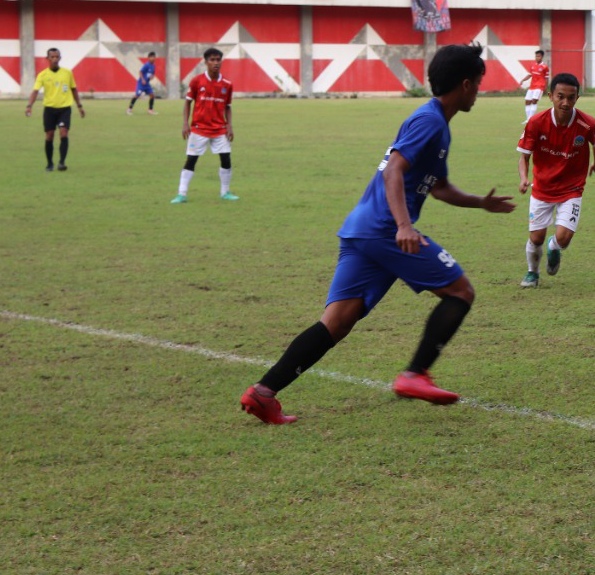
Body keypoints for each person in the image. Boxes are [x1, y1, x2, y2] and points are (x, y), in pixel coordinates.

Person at [239, 44, 516, 422]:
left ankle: (263, 392)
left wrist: (479, 204)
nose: (479, 92)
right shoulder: (430, 121)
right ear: (466, 84)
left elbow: (438, 187)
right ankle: (415, 373)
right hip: (386, 230)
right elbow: (394, 171)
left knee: (336, 323)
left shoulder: (436, 124)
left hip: (363, 229)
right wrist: (404, 225)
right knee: (460, 291)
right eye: (479, 84)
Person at [516, 73, 595, 288]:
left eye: (571, 98)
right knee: (535, 238)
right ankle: (532, 273)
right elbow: (524, 157)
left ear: (577, 98)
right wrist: (524, 178)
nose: (565, 102)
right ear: (550, 96)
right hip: (542, 188)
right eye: (560, 96)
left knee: (563, 239)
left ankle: (553, 246)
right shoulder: (536, 123)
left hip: (572, 188)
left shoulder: (587, 123)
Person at [171, 47, 237, 203]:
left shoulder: (227, 84)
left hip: (219, 129)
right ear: (206, 62)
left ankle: (225, 192)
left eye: (218, 59)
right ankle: (181, 194)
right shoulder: (197, 81)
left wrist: (229, 125)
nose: (215, 62)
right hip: (199, 129)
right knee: (191, 160)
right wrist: (185, 124)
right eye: (212, 60)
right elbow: (187, 103)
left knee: (226, 159)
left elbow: (228, 106)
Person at [24, 47, 85, 171]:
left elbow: (74, 89)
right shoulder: (42, 75)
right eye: (52, 57)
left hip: (64, 108)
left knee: (63, 132)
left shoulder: (68, 73)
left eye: (57, 57)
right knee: (49, 135)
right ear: (47, 59)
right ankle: (49, 163)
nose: (55, 59)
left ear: (60, 58)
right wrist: (29, 105)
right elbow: (35, 91)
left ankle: (62, 162)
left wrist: (79, 106)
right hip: (49, 109)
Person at [517, 49, 549, 123]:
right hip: (532, 87)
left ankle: (530, 119)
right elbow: (529, 75)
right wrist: (522, 80)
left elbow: (546, 78)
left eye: (538, 56)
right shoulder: (533, 66)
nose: (537, 58)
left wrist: (545, 88)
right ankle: (528, 119)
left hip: (539, 87)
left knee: (534, 101)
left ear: (542, 57)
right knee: (527, 101)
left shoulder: (545, 67)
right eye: (536, 56)